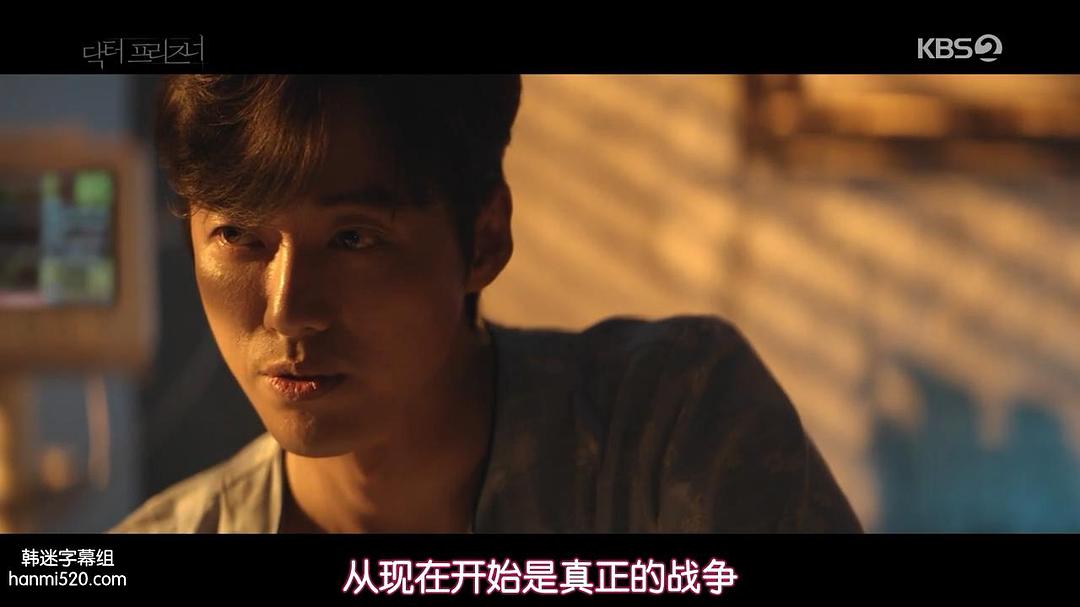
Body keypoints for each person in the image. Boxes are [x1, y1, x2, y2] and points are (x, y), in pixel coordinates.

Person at [112, 75, 862, 533]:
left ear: (484, 239)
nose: (288, 309)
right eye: (238, 236)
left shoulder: (669, 433)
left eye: (354, 238)